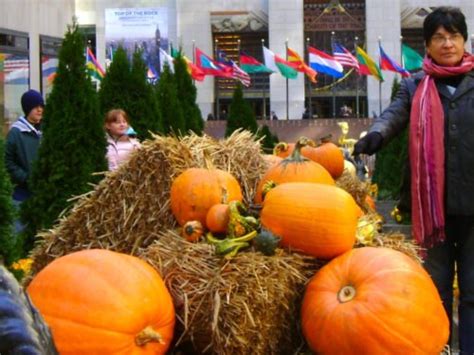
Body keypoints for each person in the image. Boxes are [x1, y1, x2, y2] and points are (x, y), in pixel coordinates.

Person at [353, 7, 474, 353]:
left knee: (473, 292)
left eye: (453, 35)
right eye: (438, 37)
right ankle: (440, 348)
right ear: (428, 45)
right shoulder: (415, 84)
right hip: (432, 210)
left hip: (473, 205)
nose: (447, 43)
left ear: (464, 40)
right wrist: (374, 136)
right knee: (433, 290)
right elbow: (393, 115)